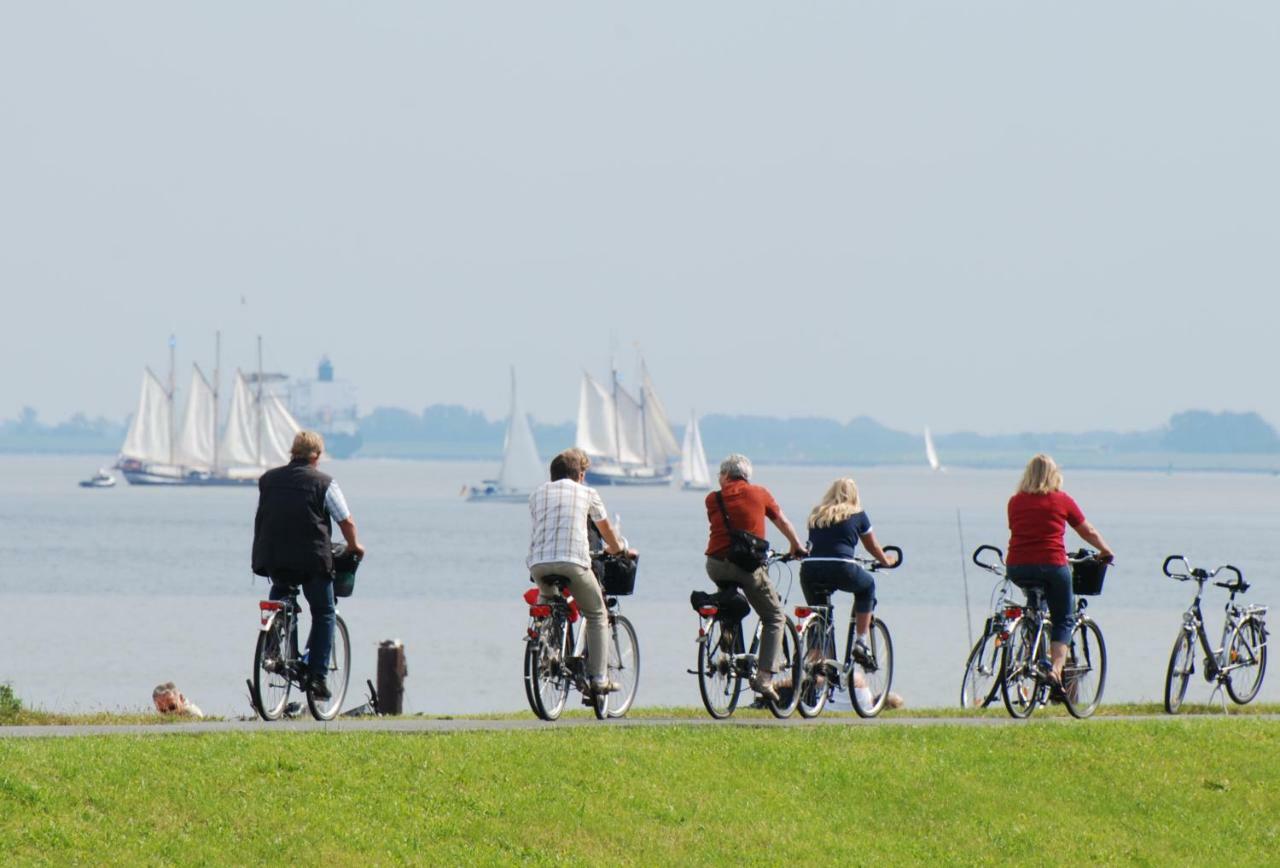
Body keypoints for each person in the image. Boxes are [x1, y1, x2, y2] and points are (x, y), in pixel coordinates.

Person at [252, 431, 364, 700]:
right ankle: (317, 677)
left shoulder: (268, 480)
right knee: (324, 612)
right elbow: (345, 522)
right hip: (312, 560)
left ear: (293, 452)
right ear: (317, 456)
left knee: (281, 596)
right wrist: (354, 546)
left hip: (273, 557)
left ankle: (274, 651)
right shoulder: (324, 483)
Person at [527, 448, 635, 696]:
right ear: (580, 475)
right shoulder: (588, 493)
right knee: (597, 613)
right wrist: (617, 549)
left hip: (538, 564)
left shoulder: (536, 495)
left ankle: (544, 644)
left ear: (552, 475)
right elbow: (605, 528)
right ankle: (598, 679)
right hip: (573, 563)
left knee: (547, 605)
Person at [703, 453, 807, 702]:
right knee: (774, 617)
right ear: (745, 476)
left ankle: (728, 634)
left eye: (720, 475)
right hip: (747, 566)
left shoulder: (712, 499)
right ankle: (763, 678)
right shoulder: (759, 493)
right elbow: (781, 521)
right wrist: (797, 546)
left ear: (726, 476)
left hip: (715, 564)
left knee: (730, 600)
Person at [1006, 453, 1113, 692]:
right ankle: (1055, 670)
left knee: (1035, 604)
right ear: (1055, 475)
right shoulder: (1061, 500)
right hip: (1052, 566)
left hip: (1017, 566)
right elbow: (1088, 531)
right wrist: (1105, 550)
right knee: (1063, 618)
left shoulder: (1015, 501)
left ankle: (1030, 636)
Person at [799, 477, 898, 666]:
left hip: (810, 568)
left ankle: (815, 665)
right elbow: (872, 546)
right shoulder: (858, 514)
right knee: (867, 587)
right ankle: (860, 642)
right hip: (841, 567)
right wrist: (886, 560)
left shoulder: (817, 514)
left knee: (820, 616)